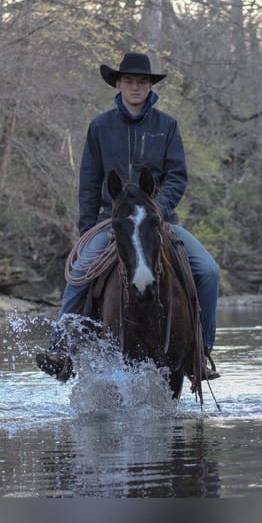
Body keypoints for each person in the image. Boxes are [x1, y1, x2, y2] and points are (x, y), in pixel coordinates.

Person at [39, 52, 220, 382]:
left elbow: (177, 175)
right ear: (118, 84)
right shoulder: (100, 127)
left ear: (150, 86)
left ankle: (201, 353)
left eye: (142, 82)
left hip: (158, 220)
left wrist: (158, 211)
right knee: (79, 271)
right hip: (112, 219)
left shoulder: (167, 126)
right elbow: (90, 182)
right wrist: (86, 230)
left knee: (208, 271)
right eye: (130, 81)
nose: (135, 87)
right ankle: (60, 351)